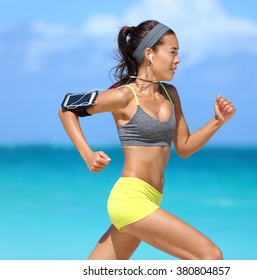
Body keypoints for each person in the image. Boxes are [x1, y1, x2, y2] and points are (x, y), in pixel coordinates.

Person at [59, 20, 236, 260]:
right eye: (173, 52)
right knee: (210, 257)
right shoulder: (124, 96)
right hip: (130, 199)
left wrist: (217, 121)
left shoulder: (170, 93)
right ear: (150, 53)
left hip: (150, 199)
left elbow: (183, 147)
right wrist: (87, 154)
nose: (178, 60)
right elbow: (67, 108)